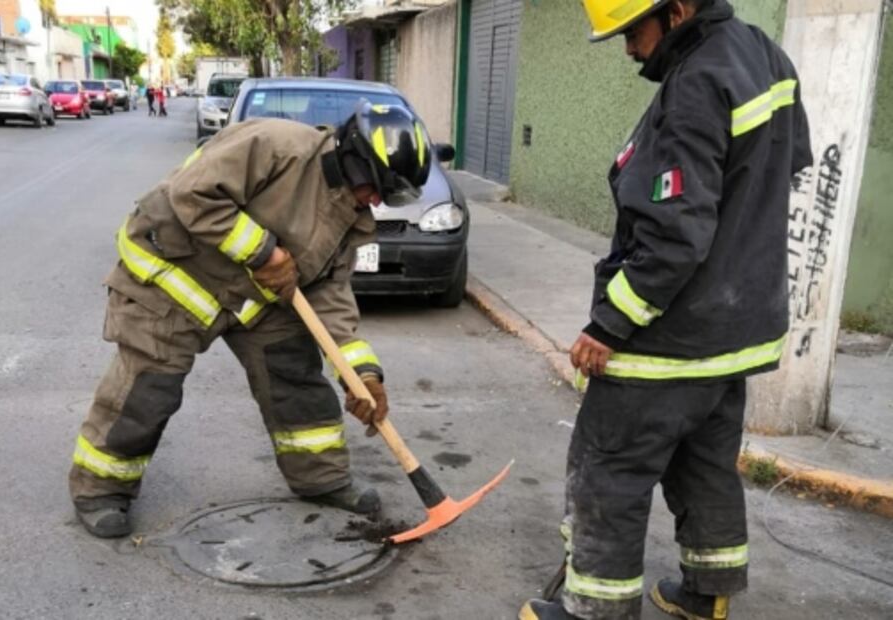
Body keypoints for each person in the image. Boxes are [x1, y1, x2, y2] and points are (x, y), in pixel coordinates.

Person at [519, 1, 811, 619]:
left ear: (675, 11)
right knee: (704, 465)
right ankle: (707, 596)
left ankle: (595, 610)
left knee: (608, 468)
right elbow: (785, 166)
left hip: (671, 336)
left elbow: (675, 236)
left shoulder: (694, 85)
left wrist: (608, 325)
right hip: (736, 333)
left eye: (632, 31)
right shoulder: (764, 55)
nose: (628, 48)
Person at [68, 103, 433, 539]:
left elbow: (329, 295)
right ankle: (100, 489)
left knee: (294, 376)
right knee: (149, 390)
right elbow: (192, 193)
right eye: (377, 188)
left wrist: (363, 376)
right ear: (355, 160)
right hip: (173, 275)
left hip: (254, 298)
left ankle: (321, 479)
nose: (376, 202)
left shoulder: (350, 217)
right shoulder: (276, 146)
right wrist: (263, 253)